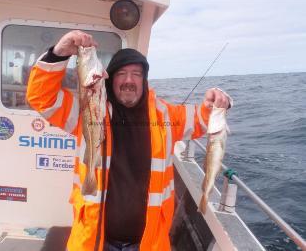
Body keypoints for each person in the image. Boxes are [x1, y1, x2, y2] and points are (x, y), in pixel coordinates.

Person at [26, 30, 231, 251]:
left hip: (148, 242)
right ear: (109, 77)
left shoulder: (166, 116)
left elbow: (204, 121)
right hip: (94, 239)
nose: (129, 80)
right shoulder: (86, 109)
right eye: (122, 73)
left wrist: (216, 103)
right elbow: (42, 98)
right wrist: (58, 55)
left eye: (136, 73)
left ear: (144, 80)